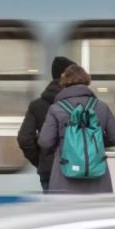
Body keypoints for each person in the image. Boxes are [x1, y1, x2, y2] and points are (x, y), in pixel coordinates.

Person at [38, 64, 115, 194]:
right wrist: (97, 141)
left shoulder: (56, 109)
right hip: (98, 180)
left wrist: (66, 144)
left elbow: (45, 141)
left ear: (64, 82)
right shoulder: (101, 107)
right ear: (86, 81)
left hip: (64, 179)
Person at [17, 56, 76, 192]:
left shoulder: (37, 105)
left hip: (49, 171)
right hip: (79, 168)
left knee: (54, 210)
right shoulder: (82, 103)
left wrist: (42, 160)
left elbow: (24, 139)